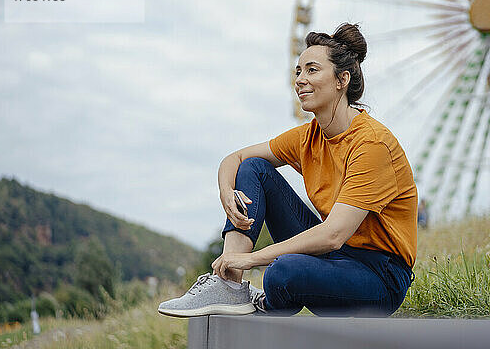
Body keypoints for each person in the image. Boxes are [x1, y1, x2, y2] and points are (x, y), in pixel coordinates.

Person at [158, 22, 417, 318]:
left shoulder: (371, 144)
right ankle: (227, 287)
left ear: (341, 80)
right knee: (255, 167)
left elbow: (333, 234)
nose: (300, 80)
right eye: (298, 71)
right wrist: (226, 192)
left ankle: (265, 299)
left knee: (281, 272)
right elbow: (236, 158)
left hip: (379, 276)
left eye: (312, 70)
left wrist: (252, 259)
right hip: (335, 257)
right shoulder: (308, 136)